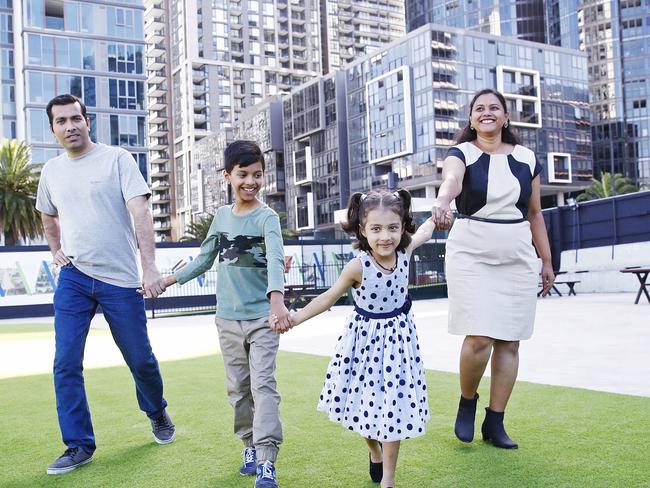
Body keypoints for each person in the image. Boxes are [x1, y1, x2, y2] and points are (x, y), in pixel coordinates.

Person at [36, 94, 174, 475]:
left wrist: (148, 268)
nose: (70, 126)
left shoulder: (117, 159)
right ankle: (79, 444)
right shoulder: (51, 171)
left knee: (140, 360)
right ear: (53, 129)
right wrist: (56, 250)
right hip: (74, 279)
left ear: (87, 120)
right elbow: (48, 215)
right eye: (61, 121)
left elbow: (141, 212)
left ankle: (156, 410)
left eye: (75, 118)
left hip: (120, 280)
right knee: (65, 362)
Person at [272, 189, 434, 488]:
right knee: (366, 409)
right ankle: (373, 450)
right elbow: (326, 298)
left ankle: (388, 479)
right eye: (376, 229)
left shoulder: (404, 254)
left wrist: (439, 212)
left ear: (402, 228)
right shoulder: (357, 266)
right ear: (362, 230)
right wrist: (294, 319)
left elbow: (424, 231)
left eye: (392, 228)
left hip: (399, 345)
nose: (385, 236)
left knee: (393, 409)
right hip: (364, 347)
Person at [162, 140, 291, 488]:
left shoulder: (268, 218)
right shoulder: (220, 217)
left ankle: (266, 461)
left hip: (263, 318)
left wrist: (276, 301)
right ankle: (248, 445)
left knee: (264, 386)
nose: (251, 181)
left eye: (257, 175)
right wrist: (168, 280)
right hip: (227, 319)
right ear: (228, 176)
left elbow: (277, 259)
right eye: (243, 174)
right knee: (238, 389)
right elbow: (204, 259)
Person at [431, 88, 555, 449]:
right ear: (471, 119)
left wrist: (546, 260)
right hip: (471, 253)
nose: (487, 113)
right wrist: (442, 200)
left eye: (494, 108)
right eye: (479, 109)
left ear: (505, 116)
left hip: (517, 255)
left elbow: (534, 213)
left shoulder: (527, 158)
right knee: (480, 337)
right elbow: (451, 180)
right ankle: (467, 401)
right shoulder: (462, 153)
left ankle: (495, 421)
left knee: (510, 340)